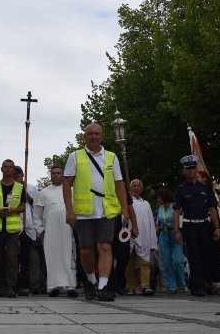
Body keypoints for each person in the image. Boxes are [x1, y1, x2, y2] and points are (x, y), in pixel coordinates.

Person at [63, 123, 133, 301]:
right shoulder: (75, 156)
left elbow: (119, 185)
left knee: (105, 246)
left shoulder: (111, 157)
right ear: (85, 137)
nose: (93, 136)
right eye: (90, 134)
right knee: (86, 250)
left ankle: (103, 286)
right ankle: (91, 281)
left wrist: (125, 209)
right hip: (84, 212)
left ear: (102, 137)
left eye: (97, 134)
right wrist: (69, 211)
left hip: (107, 210)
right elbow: (66, 183)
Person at [173, 155, 220, 297]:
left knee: (206, 256)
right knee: (194, 257)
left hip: (205, 225)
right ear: (184, 171)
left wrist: (217, 228)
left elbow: (212, 209)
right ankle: (197, 285)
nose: (191, 171)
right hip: (190, 226)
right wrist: (176, 231)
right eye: (188, 168)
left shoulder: (205, 189)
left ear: (196, 169)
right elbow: (176, 212)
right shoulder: (181, 190)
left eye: (193, 168)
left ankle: (206, 283)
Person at [34, 165, 78, 298]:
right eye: (53, 173)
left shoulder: (71, 190)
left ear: (63, 174)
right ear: (50, 175)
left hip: (67, 229)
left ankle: (71, 286)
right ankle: (53, 287)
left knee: (69, 256)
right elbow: (37, 214)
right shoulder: (44, 192)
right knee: (52, 258)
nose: (56, 175)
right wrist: (40, 229)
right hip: (51, 232)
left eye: (59, 173)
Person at [0, 159, 26, 298]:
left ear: (14, 170)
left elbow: (23, 206)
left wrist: (14, 210)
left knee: (12, 259)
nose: (8, 169)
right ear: (1, 169)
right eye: (6, 167)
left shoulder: (20, 187)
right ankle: (1, 286)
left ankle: (11, 287)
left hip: (12, 229)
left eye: (10, 167)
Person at [125, 179, 158, 296]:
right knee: (130, 262)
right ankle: (131, 286)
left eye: (138, 186)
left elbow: (150, 223)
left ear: (142, 188)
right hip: (130, 235)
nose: (136, 188)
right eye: (134, 186)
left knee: (145, 262)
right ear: (130, 188)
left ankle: (145, 286)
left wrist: (153, 241)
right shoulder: (126, 203)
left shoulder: (146, 204)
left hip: (144, 236)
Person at [15, 165, 44, 295]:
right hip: (14, 226)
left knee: (29, 258)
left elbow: (38, 208)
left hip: (29, 227)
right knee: (13, 258)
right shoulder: (10, 188)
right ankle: (13, 283)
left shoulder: (31, 188)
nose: (16, 176)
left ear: (22, 175)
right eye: (14, 174)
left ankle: (28, 284)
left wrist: (30, 199)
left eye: (18, 174)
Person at [197, 170, 220, 295]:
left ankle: (213, 281)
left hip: (214, 224)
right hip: (202, 224)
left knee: (215, 254)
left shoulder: (214, 192)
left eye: (198, 177)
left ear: (204, 179)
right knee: (204, 254)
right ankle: (205, 281)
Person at [156, 188, 186, 293]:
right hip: (163, 235)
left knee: (178, 261)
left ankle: (181, 284)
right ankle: (171, 286)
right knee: (166, 262)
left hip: (175, 233)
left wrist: (177, 232)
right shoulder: (160, 209)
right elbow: (158, 224)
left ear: (164, 197)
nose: (157, 199)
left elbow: (179, 221)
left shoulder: (175, 207)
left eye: (159, 197)